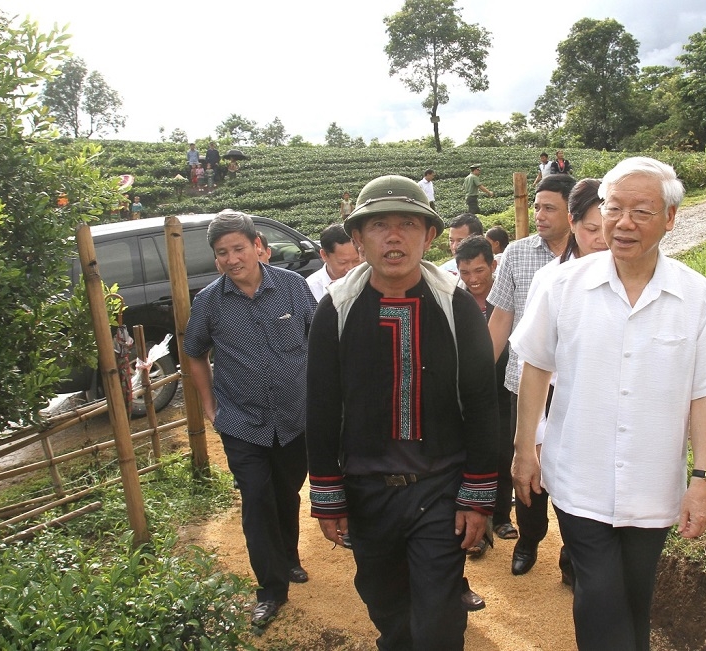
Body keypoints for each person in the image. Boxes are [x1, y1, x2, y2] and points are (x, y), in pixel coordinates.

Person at [510, 157, 706, 651]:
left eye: (641, 211)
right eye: (614, 208)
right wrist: (524, 450)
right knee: (598, 595)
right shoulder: (560, 286)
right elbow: (535, 367)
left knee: (636, 600)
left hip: (653, 486)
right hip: (578, 477)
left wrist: (702, 479)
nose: (623, 223)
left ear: (671, 218)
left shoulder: (697, 298)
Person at [306, 175, 499, 650]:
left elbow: (480, 402)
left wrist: (477, 495)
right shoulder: (336, 309)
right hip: (367, 490)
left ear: (429, 236)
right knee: (387, 609)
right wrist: (328, 493)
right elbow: (322, 405)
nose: (394, 237)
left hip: (439, 488)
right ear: (358, 238)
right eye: (379, 226)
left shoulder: (455, 305)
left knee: (437, 620)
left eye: (408, 224)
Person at [183, 210, 318, 630]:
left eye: (238, 248)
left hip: (295, 418)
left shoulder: (293, 288)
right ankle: (271, 590)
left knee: (286, 491)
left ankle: (289, 557)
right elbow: (193, 352)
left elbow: (320, 338)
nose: (231, 258)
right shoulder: (209, 302)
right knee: (256, 502)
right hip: (242, 422)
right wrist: (210, 406)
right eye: (222, 253)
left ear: (258, 246)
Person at [486, 173, 577, 579]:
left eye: (549, 208)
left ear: (573, 213)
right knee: (528, 461)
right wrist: (477, 372)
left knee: (574, 469)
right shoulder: (517, 255)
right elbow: (501, 318)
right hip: (523, 383)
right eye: (536, 206)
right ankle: (529, 538)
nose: (539, 215)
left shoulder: (594, 253)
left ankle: (573, 553)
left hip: (576, 388)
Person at [455, 235, 516, 554]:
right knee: (472, 453)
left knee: (505, 452)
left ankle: (502, 516)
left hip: (504, 388)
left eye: (479, 270)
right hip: (467, 393)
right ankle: (474, 525)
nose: (473, 279)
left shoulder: (506, 299)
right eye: (466, 273)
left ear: (493, 265)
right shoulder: (453, 302)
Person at [306, 223, 361, 301]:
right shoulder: (310, 289)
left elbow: (384, 309)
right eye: (343, 262)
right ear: (324, 255)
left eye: (356, 260)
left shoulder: (373, 279)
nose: (351, 268)